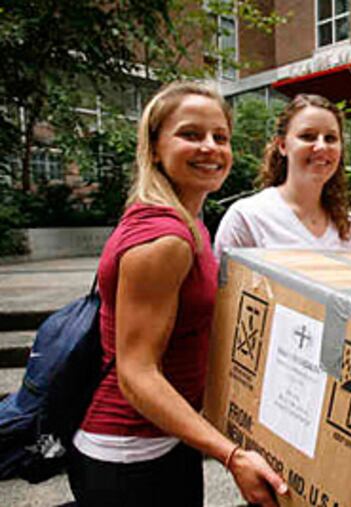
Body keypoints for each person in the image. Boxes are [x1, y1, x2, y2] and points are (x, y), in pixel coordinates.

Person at [66, 81, 287, 507]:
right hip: (130, 453)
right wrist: (231, 455)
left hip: (164, 437)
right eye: (190, 135)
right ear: (153, 148)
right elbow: (137, 374)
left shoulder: (187, 219)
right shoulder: (165, 239)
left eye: (220, 137)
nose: (210, 147)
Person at [214, 94, 351, 256]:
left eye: (330, 138)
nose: (321, 146)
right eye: (308, 136)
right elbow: (225, 281)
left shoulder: (347, 224)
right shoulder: (248, 217)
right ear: (283, 145)